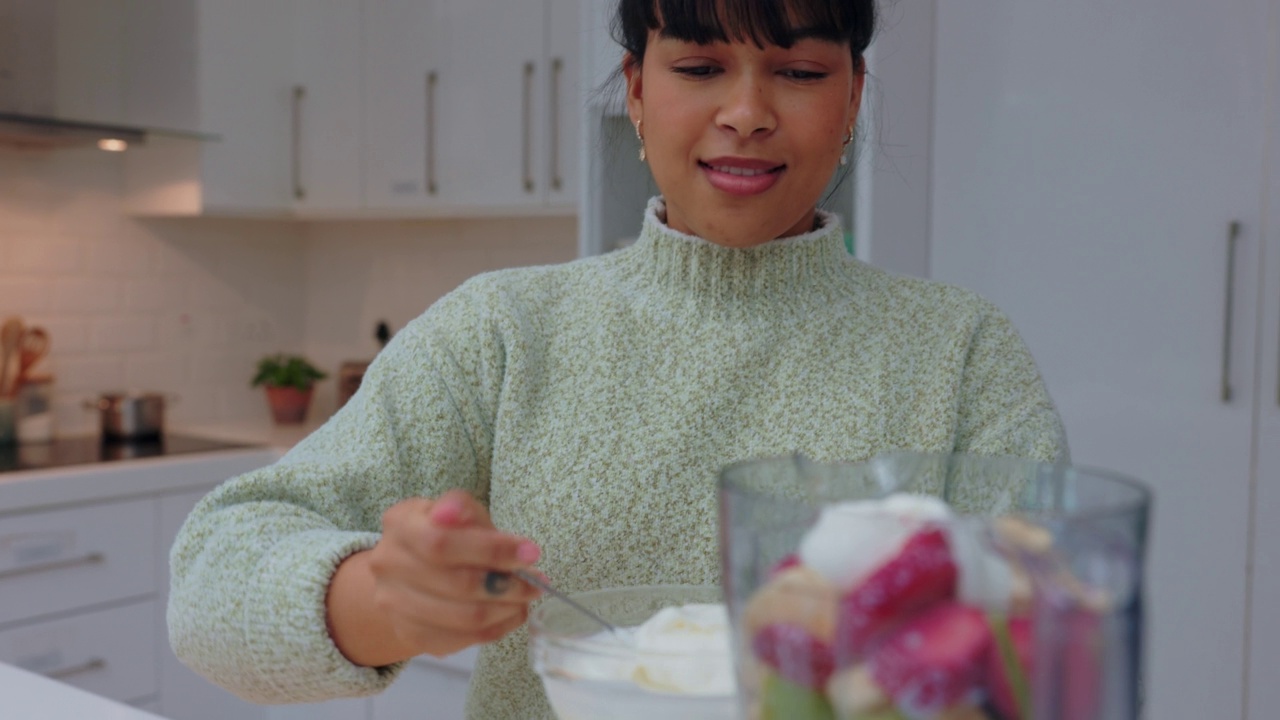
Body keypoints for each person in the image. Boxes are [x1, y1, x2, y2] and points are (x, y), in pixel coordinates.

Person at [167, 0, 1067, 718]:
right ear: (636, 90)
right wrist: (378, 601)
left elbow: (1052, 650)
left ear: (855, 97)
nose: (747, 113)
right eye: (699, 67)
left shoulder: (959, 352)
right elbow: (210, 580)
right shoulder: (504, 330)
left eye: (797, 71)